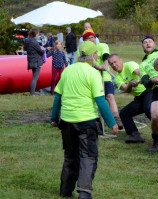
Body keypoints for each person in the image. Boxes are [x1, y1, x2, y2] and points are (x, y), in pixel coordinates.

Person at [50, 41, 118, 199]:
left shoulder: (68, 71)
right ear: (94, 55)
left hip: (66, 122)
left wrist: (54, 118)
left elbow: (57, 98)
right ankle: (84, 193)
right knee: (88, 156)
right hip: (86, 122)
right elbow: (101, 101)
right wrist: (112, 123)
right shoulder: (93, 73)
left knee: (70, 155)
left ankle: (65, 191)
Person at [82, 29, 123, 129]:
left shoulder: (102, 45)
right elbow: (87, 61)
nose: (91, 39)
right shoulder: (84, 49)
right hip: (92, 78)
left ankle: (116, 119)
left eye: (92, 37)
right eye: (88, 38)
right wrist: (97, 66)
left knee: (110, 96)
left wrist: (105, 64)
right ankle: (97, 122)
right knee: (95, 100)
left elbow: (106, 56)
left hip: (105, 77)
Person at [24, 29, 44, 95]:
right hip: (36, 61)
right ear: (35, 34)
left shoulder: (27, 41)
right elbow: (40, 52)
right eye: (38, 34)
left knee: (34, 77)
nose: (38, 35)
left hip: (31, 60)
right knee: (35, 78)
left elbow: (25, 49)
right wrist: (43, 49)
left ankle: (33, 91)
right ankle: (32, 93)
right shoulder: (34, 41)